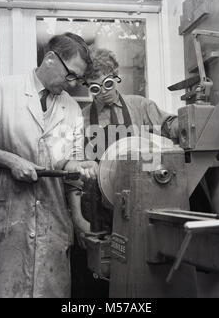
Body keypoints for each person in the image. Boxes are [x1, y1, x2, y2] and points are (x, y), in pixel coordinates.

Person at [0, 32, 97, 298]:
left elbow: (65, 161)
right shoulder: (1, 90)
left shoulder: (70, 108)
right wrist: (12, 161)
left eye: (78, 80)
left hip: (53, 223)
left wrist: (78, 169)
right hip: (9, 219)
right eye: (70, 75)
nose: (72, 85)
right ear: (50, 59)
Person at [70, 48, 180, 298]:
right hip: (97, 212)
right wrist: (78, 219)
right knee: (98, 282)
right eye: (95, 88)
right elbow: (74, 173)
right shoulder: (82, 119)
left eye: (108, 83)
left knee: (141, 277)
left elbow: (169, 128)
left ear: (116, 77)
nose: (103, 91)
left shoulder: (140, 106)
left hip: (140, 205)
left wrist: (183, 123)